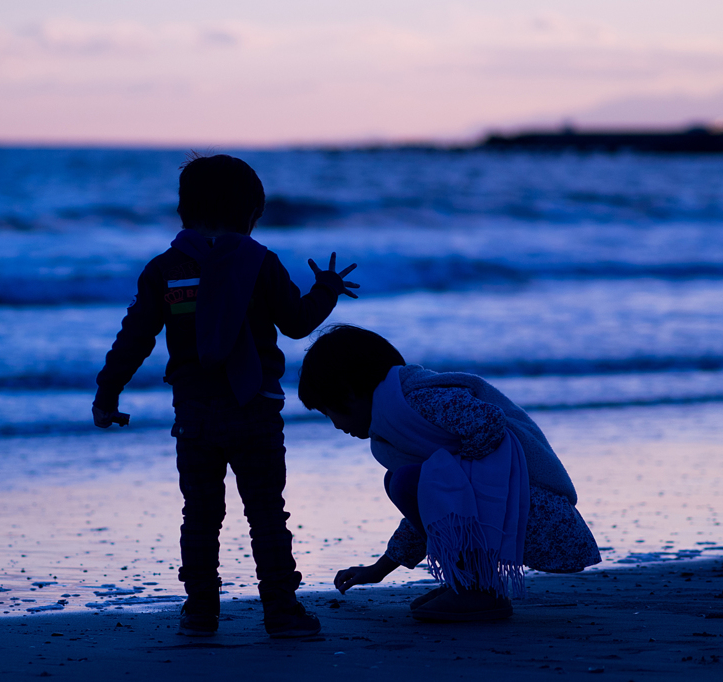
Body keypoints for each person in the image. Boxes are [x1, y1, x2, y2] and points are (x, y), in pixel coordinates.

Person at [93, 154, 360, 638]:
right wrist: (327, 290)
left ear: (183, 210)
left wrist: (106, 393)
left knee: (199, 514)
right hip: (254, 407)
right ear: (251, 214)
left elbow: (135, 338)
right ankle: (281, 611)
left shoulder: (165, 269)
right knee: (266, 514)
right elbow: (297, 324)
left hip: (194, 415)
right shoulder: (260, 263)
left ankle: (200, 613)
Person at [298, 324, 601, 622]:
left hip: (540, 518)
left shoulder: (415, 400)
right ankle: (472, 581)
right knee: (405, 481)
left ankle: (478, 588)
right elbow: (436, 501)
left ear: (349, 394)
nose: (336, 425)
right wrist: (379, 569)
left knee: (406, 481)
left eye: (329, 412)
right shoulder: (396, 417)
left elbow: (488, 421)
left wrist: (450, 474)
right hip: (522, 512)